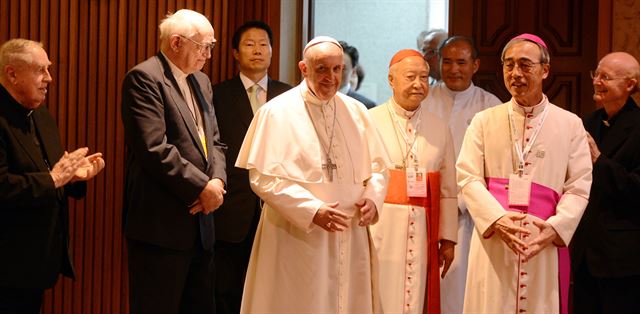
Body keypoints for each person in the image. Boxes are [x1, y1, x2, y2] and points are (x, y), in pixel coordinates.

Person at [236, 36, 390, 314]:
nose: (331, 77)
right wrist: (311, 210)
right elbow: (262, 177)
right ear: (304, 68)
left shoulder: (356, 112)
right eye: (321, 69)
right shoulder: (276, 112)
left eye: (337, 69)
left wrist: (373, 198)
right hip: (298, 234)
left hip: (350, 234)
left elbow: (378, 167)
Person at [456, 33, 592, 314]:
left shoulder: (570, 125)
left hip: (542, 240)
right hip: (495, 239)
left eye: (525, 65)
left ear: (545, 70)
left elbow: (579, 186)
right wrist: (498, 218)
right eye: (509, 65)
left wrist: (555, 227)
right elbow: (468, 176)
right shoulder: (484, 120)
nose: (515, 73)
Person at [121, 9, 226, 313]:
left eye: (211, 46)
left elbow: (215, 142)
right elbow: (153, 148)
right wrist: (201, 187)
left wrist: (217, 182)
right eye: (202, 46)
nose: (207, 54)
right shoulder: (144, 78)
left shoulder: (202, 81)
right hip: (160, 228)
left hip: (202, 225)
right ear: (177, 42)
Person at [0, 38, 105, 313]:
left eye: (48, 69)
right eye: (40, 70)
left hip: (36, 262)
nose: (49, 78)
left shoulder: (42, 114)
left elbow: (52, 172)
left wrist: (72, 177)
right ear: (12, 74)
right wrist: (55, 179)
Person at [369, 49, 457, 314]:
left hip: (423, 232)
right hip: (381, 229)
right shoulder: (369, 120)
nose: (418, 84)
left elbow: (448, 188)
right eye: (410, 77)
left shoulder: (439, 127)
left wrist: (448, 238)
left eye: (424, 77)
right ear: (391, 80)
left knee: (417, 297)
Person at [211, 20, 291, 314]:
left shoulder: (290, 96)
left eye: (263, 44)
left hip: (280, 212)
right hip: (232, 212)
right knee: (228, 293)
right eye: (249, 44)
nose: (257, 50)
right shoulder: (215, 95)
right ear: (234, 53)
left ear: (272, 51)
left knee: (276, 295)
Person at [423, 36, 502, 314]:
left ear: (475, 65)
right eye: (447, 62)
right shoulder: (424, 98)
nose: (453, 69)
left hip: (470, 216)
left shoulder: (490, 106)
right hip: (428, 210)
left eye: (461, 62)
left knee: (461, 289)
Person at [570, 52, 640, 313]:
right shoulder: (587, 122)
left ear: (629, 85)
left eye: (606, 77)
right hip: (585, 252)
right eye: (595, 74)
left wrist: (599, 160)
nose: (596, 82)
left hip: (622, 259)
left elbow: (636, 189)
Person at [338, 40, 376, 108]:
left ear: (353, 72)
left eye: (341, 68)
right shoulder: (315, 101)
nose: (332, 73)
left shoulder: (366, 106)